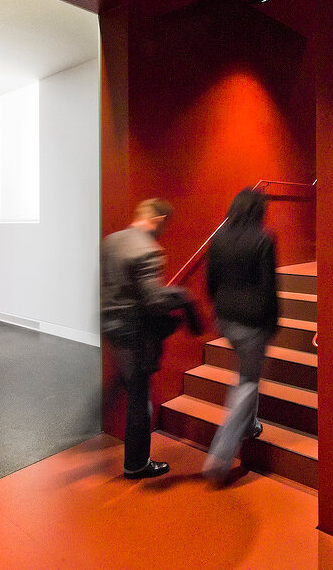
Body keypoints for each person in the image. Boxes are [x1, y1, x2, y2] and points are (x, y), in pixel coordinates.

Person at [101, 198, 196, 479]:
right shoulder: (148, 250)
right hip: (132, 330)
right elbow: (153, 300)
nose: (164, 231)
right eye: (165, 224)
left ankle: (95, 417)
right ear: (158, 219)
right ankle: (137, 463)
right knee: (140, 397)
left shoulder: (111, 241)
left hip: (109, 324)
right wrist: (182, 298)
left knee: (126, 381)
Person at [202, 188, 279, 483]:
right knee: (247, 382)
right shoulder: (263, 239)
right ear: (258, 211)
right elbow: (268, 287)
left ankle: (249, 426)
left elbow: (210, 282)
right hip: (252, 322)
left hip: (226, 319)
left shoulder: (218, 238)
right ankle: (221, 455)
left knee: (248, 373)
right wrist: (273, 322)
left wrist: (221, 307)